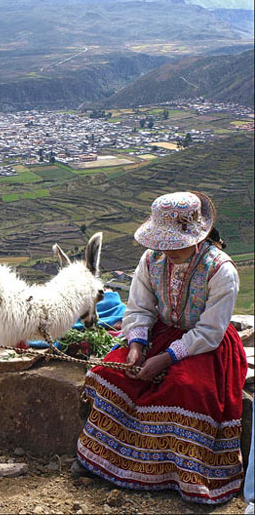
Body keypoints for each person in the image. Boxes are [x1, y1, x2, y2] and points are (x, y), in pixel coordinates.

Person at [73, 191, 247, 504]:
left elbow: (210, 330)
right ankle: (103, 461)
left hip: (204, 346)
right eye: (163, 244)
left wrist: (166, 359)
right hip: (159, 333)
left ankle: (179, 478)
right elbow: (140, 307)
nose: (167, 251)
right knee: (109, 374)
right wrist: (137, 346)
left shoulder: (221, 270)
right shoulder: (151, 259)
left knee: (185, 388)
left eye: (175, 244)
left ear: (197, 236)